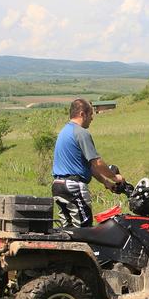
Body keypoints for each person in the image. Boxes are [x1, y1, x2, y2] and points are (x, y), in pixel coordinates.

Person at [51, 98, 124, 228]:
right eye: (90, 114)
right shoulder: (81, 133)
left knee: (68, 230)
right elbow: (97, 162)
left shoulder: (64, 131)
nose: (92, 118)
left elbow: (89, 166)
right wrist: (115, 177)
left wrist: (106, 182)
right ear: (82, 114)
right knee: (84, 229)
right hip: (74, 187)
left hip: (58, 186)